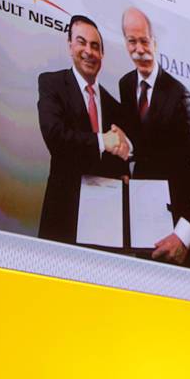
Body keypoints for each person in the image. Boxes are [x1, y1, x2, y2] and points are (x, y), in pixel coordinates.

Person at [118, 7, 190, 265]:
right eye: (131, 41)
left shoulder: (179, 96)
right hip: (139, 220)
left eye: (144, 41)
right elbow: (139, 146)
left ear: (155, 42)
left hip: (172, 228)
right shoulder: (125, 85)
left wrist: (183, 235)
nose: (138, 49)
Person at [38, 15, 131, 244]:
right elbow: (55, 137)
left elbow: (120, 159)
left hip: (104, 222)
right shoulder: (52, 84)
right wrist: (102, 141)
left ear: (102, 55)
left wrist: (126, 160)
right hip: (63, 219)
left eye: (95, 46)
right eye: (82, 42)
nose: (89, 51)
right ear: (70, 46)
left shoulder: (114, 106)